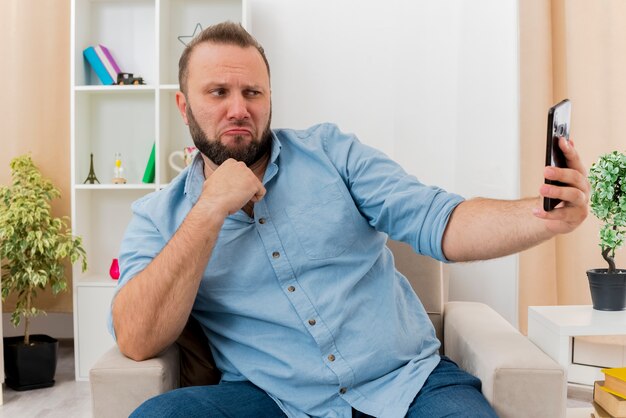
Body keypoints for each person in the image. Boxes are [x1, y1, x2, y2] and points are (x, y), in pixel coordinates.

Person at [109, 22, 589, 418]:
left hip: (408, 383)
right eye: (218, 92)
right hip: (272, 401)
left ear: (270, 97)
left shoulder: (332, 153)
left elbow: (440, 220)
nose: (239, 109)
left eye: (252, 92)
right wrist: (209, 209)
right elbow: (137, 337)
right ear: (184, 105)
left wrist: (543, 218)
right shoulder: (159, 216)